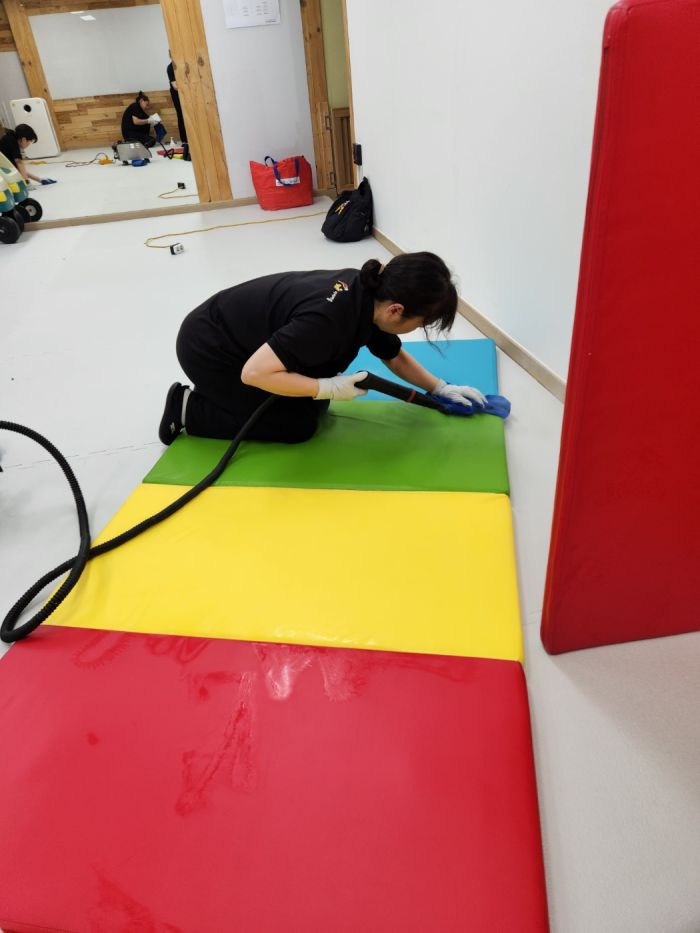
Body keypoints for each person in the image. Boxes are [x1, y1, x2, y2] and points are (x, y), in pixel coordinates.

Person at [158, 252, 487, 446]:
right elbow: (254, 373)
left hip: (242, 339)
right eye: (419, 323)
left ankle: (230, 399)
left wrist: (440, 388)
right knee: (295, 426)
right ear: (396, 310)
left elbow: (394, 356)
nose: (416, 330)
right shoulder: (327, 321)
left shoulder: (370, 294)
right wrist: (326, 387)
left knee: (312, 405)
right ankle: (189, 408)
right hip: (211, 351)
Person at [167, 56, 188, 147]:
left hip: (186, 92)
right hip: (177, 94)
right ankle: (184, 140)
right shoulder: (170, 67)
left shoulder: (183, 64)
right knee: (181, 114)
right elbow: (175, 86)